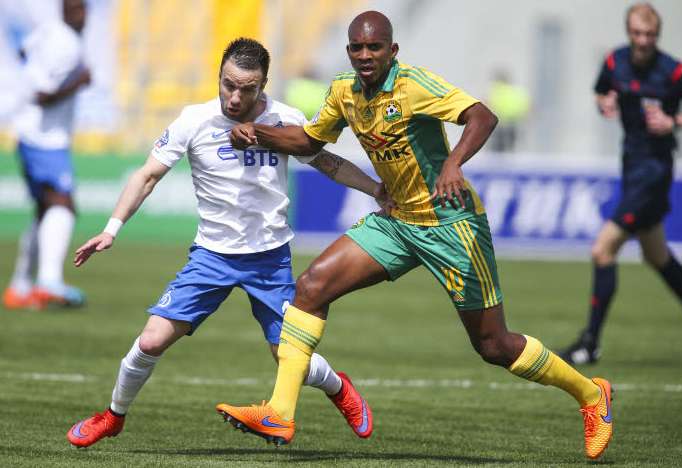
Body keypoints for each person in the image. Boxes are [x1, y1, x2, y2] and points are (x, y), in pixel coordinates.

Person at [217, 11, 614, 460]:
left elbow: (483, 117)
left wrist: (453, 163)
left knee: (493, 345)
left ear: (392, 51)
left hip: (451, 224)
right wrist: (259, 134)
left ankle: (590, 395)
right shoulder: (344, 91)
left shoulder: (414, 85)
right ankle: (280, 412)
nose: (365, 56)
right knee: (310, 288)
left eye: (374, 47)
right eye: (357, 48)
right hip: (399, 221)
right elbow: (311, 142)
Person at [65, 38, 386, 448]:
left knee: (290, 359)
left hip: (270, 261)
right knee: (150, 341)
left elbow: (328, 163)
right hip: (211, 257)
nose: (234, 97)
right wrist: (112, 228)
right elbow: (146, 175)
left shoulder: (286, 120)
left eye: (247, 89)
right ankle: (112, 417)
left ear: (264, 84)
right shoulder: (193, 121)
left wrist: (375, 189)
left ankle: (339, 388)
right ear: (219, 75)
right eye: (228, 84)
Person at [559, 3, 682, 366]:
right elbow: (602, 92)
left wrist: (676, 121)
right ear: (628, 32)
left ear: (657, 36)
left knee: (603, 251)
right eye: (637, 33)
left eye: (650, 35)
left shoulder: (673, 70)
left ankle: (590, 343)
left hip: (653, 172)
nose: (643, 41)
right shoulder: (614, 61)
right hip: (631, 166)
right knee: (657, 256)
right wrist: (604, 103)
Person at [2, 0, 90, 310]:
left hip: (28, 133)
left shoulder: (47, 32)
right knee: (63, 204)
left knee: (45, 210)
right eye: (76, 8)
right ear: (64, 10)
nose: (82, 15)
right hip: (44, 138)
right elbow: (44, 95)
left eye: (84, 8)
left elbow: (24, 52)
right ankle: (48, 281)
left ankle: (19, 287)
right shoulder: (66, 43)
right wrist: (78, 81)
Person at [487, 69, 530, 153]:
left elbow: (487, 106)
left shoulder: (496, 91)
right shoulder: (516, 92)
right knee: (510, 148)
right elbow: (526, 108)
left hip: (498, 125)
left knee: (496, 150)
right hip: (513, 124)